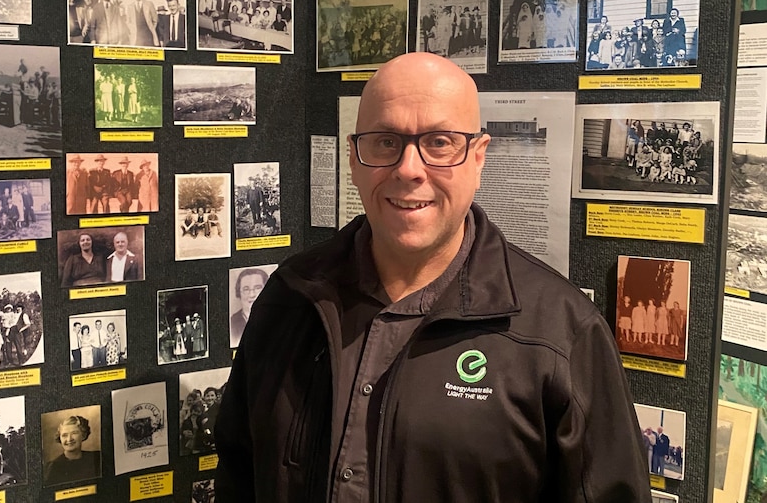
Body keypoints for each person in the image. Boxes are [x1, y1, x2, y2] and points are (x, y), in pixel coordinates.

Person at [214, 53, 651, 502]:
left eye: (440, 142)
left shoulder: (560, 334)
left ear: (478, 158)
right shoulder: (291, 299)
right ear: (353, 158)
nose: (409, 168)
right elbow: (238, 469)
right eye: (385, 142)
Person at [43, 415, 101, 486]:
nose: (69, 439)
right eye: (64, 435)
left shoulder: (97, 458)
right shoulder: (53, 468)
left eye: (74, 433)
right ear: (60, 438)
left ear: (83, 435)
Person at [229, 268, 270, 348]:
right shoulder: (232, 323)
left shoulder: (278, 318)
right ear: (239, 293)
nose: (252, 295)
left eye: (257, 288)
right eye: (246, 289)